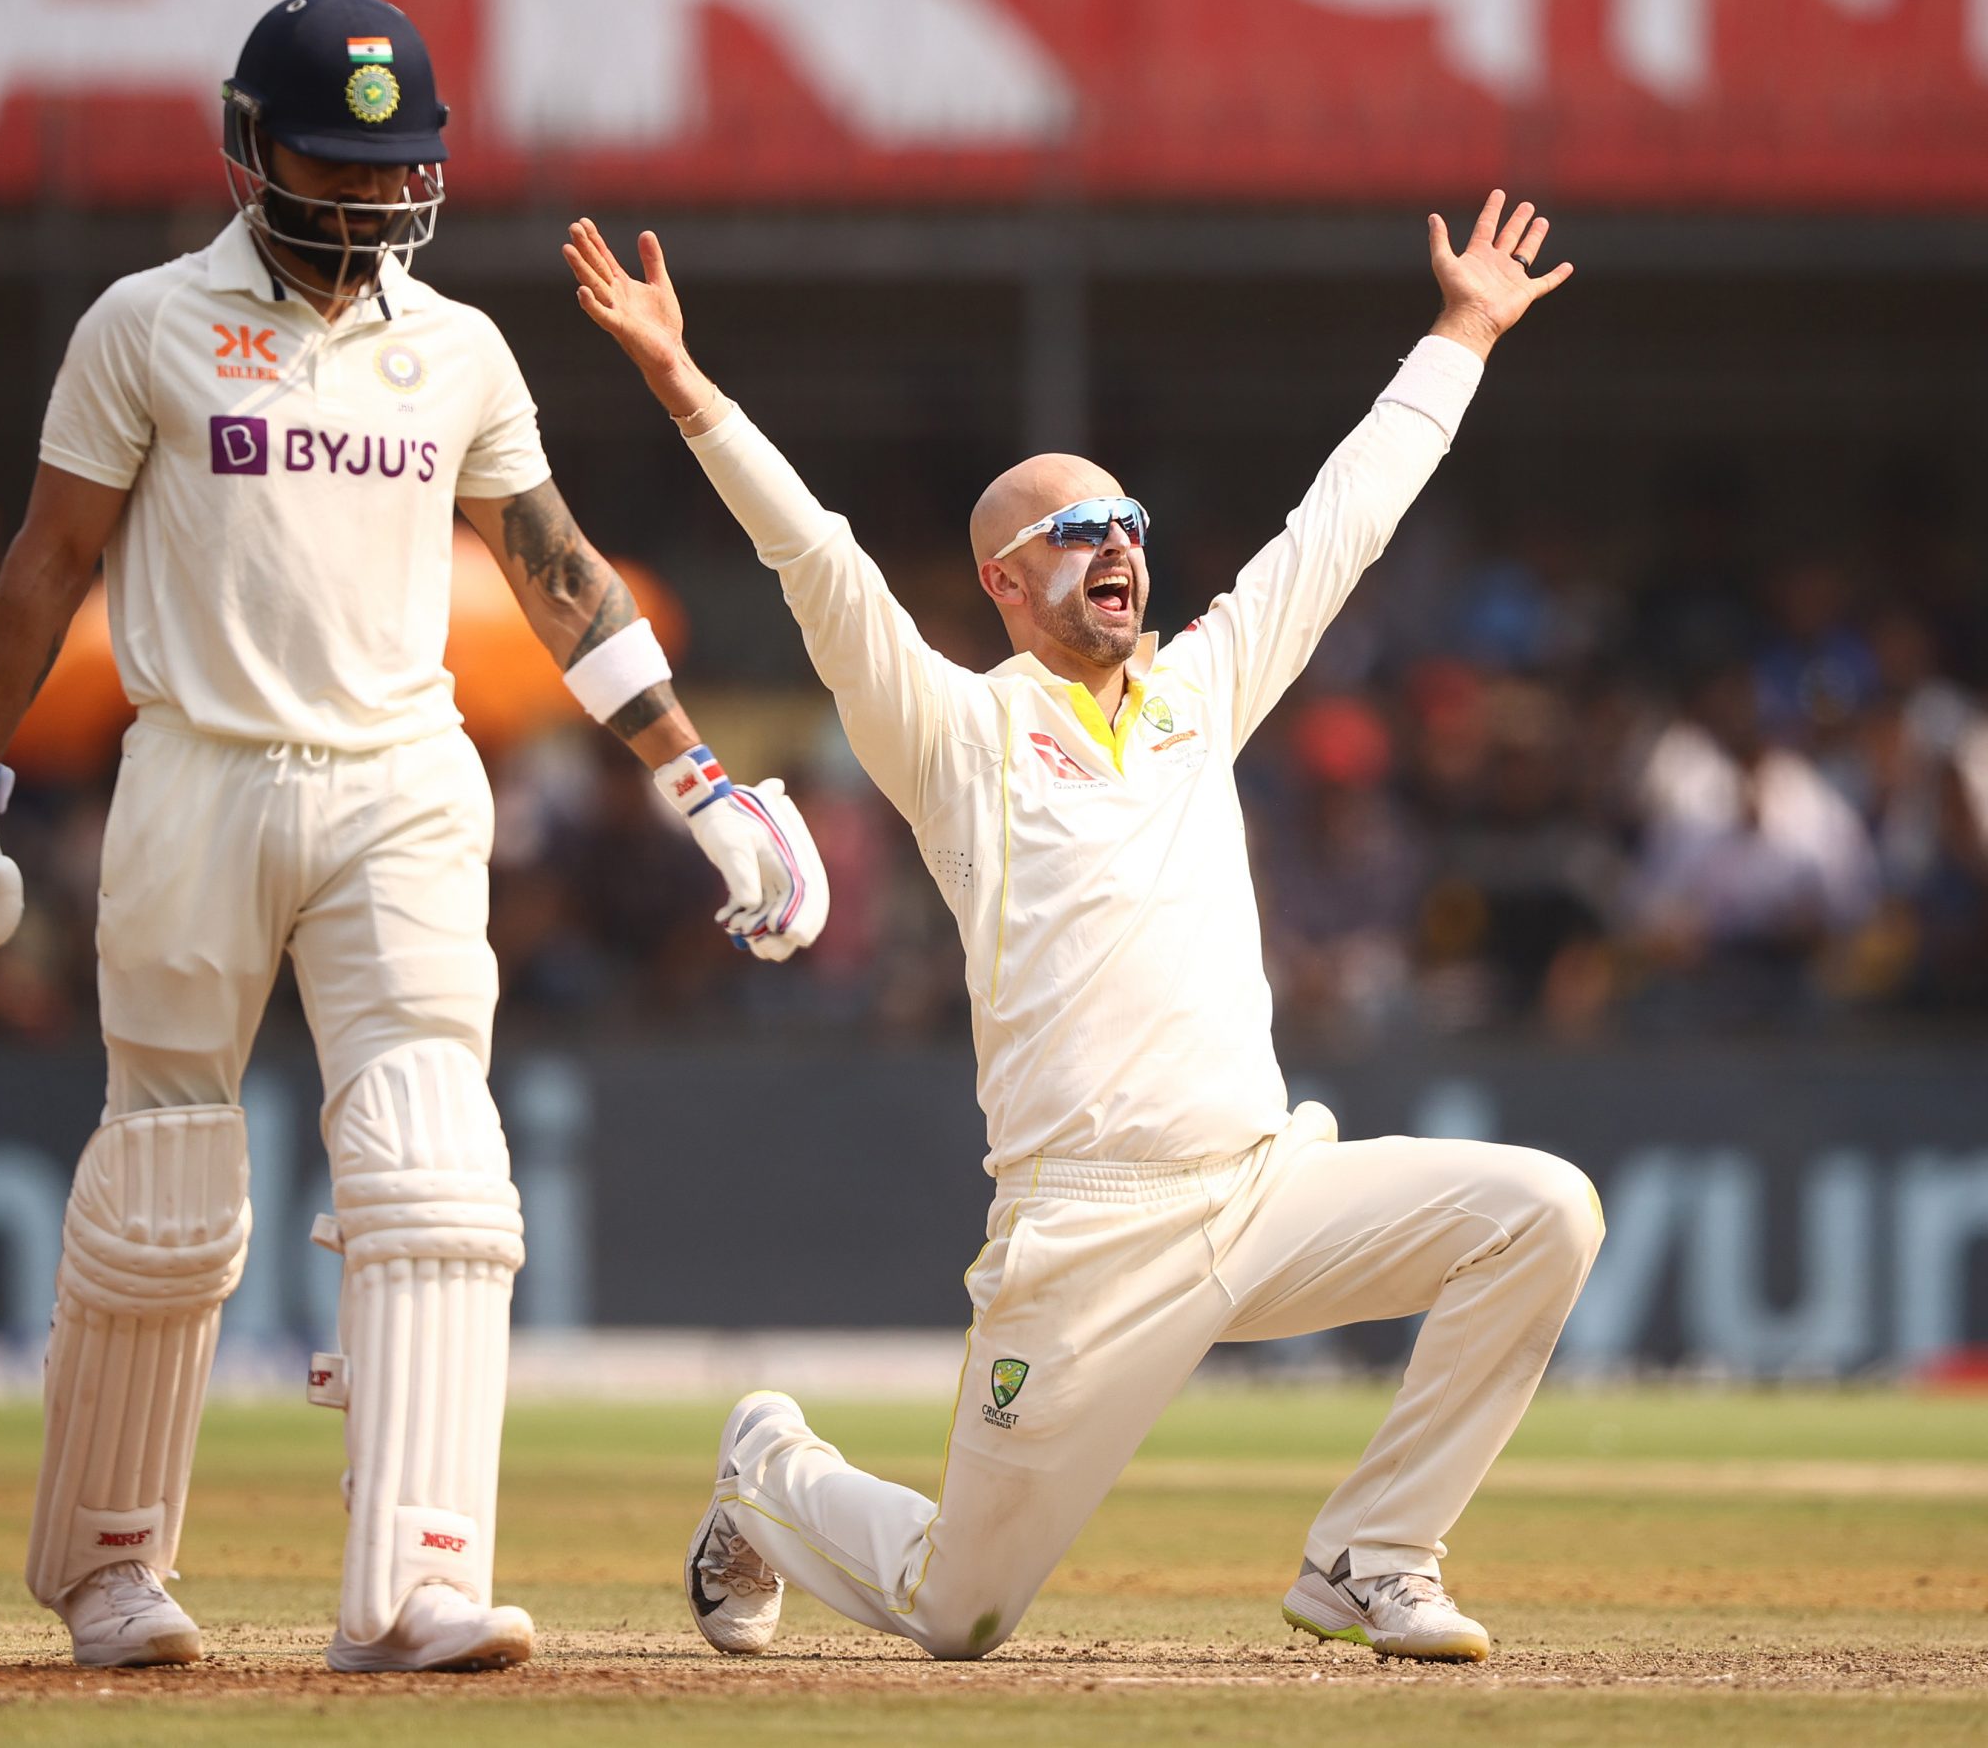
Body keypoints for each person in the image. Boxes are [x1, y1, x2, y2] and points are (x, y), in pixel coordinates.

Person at [0, 0, 826, 1675]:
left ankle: (417, 1582)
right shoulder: (146, 325)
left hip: (401, 782)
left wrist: (700, 777)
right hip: (197, 777)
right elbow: (47, 561)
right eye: (337, 159)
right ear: (249, 149)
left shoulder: (456, 345)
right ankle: (110, 1570)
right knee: (168, 1174)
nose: (376, 196)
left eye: (403, 165)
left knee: (439, 1169)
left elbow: (556, 565)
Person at [563, 193, 1599, 1664]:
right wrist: (683, 380)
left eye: (1127, 522)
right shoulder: (955, 732)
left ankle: (1375, 1551)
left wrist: (1461, 332)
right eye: (1073, 531)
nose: (1115, 545)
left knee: (1544, 1208)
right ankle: (768, 1470)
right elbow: (820, 565)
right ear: (1003, 580)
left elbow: (1342, 523)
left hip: (1257, 1185)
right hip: (1086, 1236)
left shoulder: (1198, 691)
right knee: (956, 1612)